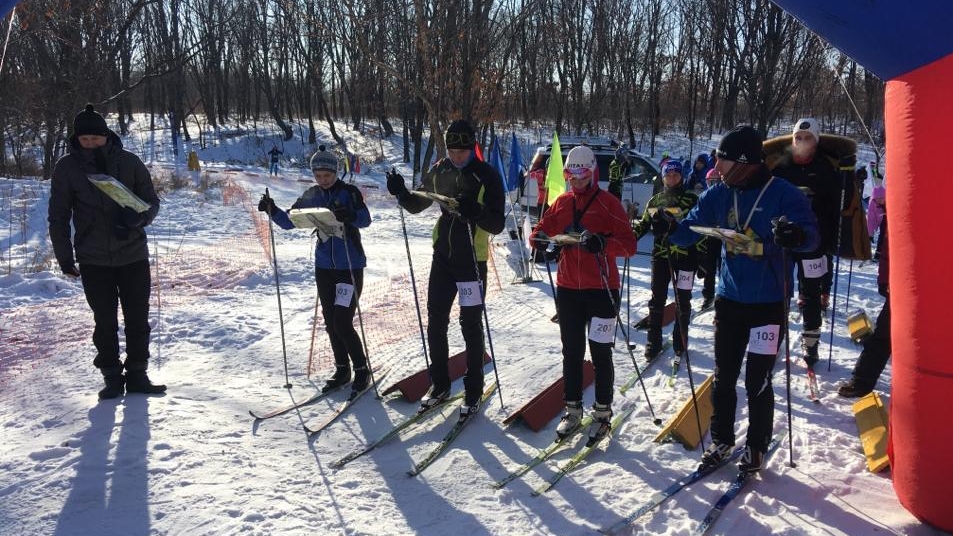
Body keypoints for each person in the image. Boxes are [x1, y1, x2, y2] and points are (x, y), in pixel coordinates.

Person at [655, 125, 819, 473]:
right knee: (723, 375)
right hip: (730, 300)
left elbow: (811, 237)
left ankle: (756, 446)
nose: (717, 165)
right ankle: (721, 439)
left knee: (757, 379)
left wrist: (796, 234)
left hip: (769, 303)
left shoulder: (783, 193)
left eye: (723, 160)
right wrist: (671, 229)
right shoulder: (719, 193)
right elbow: (690, 228)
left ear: (744, 163)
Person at [385, 119, 505, 418]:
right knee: (436, 321)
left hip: (472, 262)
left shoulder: (486, 175)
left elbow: (498, 224)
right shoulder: (441, 169)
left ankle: (474, 389)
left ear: (472, 148)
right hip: (444, 258)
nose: (457, 156)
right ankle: (439, 385)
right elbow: (417, 204)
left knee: (470, 325)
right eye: (452, 150)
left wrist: (474, 211)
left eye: (462, 151)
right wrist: (400, 192)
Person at [48, 104, 165, 400]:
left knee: (138, 317)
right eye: (84, 139)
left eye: (95, 138)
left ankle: (138, 372)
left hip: (133, 253)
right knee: (105, 320)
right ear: (77, 139)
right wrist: (65, 257)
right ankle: (111, 376)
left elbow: (152, 202)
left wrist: (137, 219)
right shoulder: (67, 168)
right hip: (93, 257)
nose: (90, 143)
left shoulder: (130, 162)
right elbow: (58, 216)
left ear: (106, 135)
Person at [530, 145, 637, 441]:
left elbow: (629, 245)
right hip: (568, 289)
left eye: (581, 173)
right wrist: (537, 239)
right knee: (572, 352)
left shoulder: (608, 204)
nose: (575, 179)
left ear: (592, 172)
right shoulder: (562, 202)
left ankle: (602, 412)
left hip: (602, 289)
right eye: (570, 173)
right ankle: (573, 409)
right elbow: (541, 229)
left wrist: (603, 244)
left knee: (600, 352)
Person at [257, 146, 372, 394]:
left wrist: (349, 214)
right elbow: (290, 221)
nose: (323, 180)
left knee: (343, 321)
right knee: (331, 322)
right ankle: (342, 368)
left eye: (327, 175)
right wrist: (272, 210)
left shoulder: (348, 192)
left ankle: (362, 369)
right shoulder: (311, 194)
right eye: (318, 175)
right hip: (324, 267)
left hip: (349, 266)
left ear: (336, 172)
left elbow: (365, 219)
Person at [767, 118, 844, 368]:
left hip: (814, 242)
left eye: (807, 138)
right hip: (785, 241)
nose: (802, 142)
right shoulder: (781, 168)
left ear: (816, 141)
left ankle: (811, 344)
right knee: (780, 291)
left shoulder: (825, 169)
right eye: (798, 137)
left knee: (811, 293)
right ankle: (773, 339)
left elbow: (835, 209)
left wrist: (831, 243)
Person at [630, 159, 699, 361]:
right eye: (668, 175)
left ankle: (680, 339)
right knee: (656, 300)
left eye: (676, 175)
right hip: (661, 256)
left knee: (683, 300)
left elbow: (699, 229)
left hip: (686, 257)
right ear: (663, 177)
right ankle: (654, 341)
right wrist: (628, 239)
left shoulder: (691, 200)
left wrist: (702, 257)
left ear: (682, 177)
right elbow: (642, 226)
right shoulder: (655, 201)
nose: (672, 179)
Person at [839, 206, 890, 397]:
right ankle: (862, 381)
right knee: (884, 334)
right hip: (906, 288)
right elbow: (890, 249)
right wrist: (885, 279)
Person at [696, 168, 723, 310]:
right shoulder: (705, 197)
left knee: (724, 267)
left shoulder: (726, 196)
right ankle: (708, 296)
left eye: (716, 182)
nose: (712, 186)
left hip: (725, 236)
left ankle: (724, 295)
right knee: (709, 267)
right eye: (710, 182)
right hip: (710, 236)